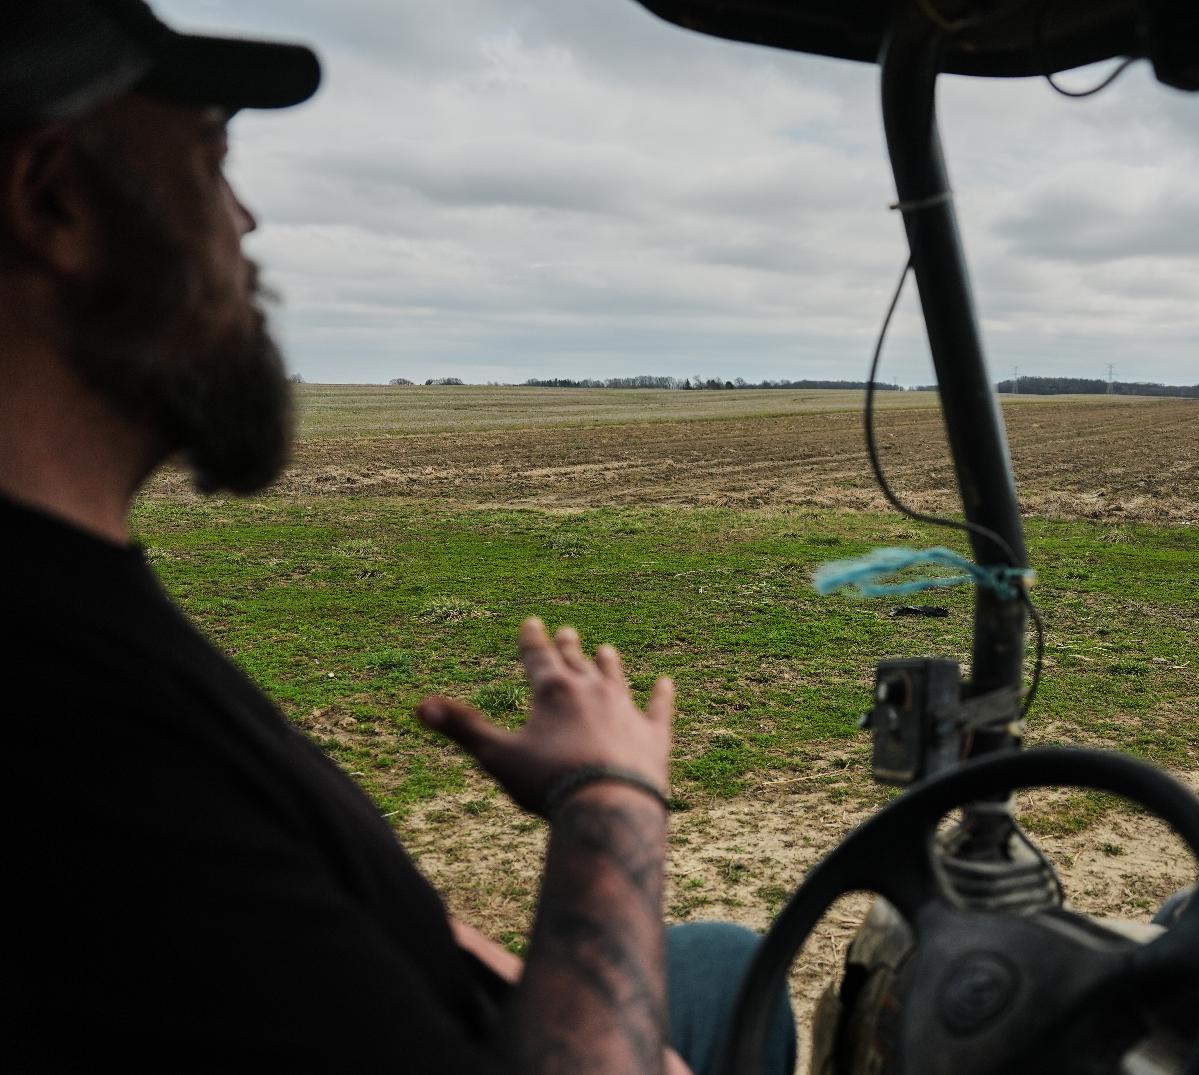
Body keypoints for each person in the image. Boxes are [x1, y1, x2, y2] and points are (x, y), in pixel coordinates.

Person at [0, 2, 792, 1071]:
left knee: (725, 961)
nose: (243, 222)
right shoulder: (69, 723)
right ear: (52, 200)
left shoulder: (70, 607)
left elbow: (269, 927)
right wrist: (611, 799)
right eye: (208, 159)